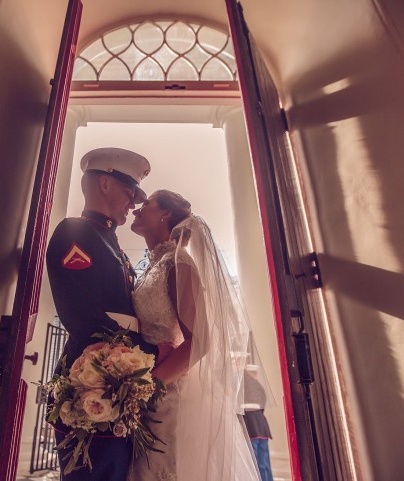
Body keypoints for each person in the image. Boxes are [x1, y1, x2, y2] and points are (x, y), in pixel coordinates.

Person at [46, 147, 165, 481]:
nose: (134, 202)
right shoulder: (76, 233)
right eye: (130, 192)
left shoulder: (111, 242)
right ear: (104, 184)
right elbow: (83, 316)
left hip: (117, 382)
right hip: (91, 383)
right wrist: (148, 353)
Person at [127, 190, 261, 481]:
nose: (137, 209)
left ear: (165, 215)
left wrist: (149, 388)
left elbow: (200, 341)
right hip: (150, 388)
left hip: (168, 394)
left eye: (146, 204)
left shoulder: (179, 264)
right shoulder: (151, 266)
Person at [243, 365, 274, 481]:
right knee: (264, 463)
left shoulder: (243, 385)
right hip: (262, 426)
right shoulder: (258, 387)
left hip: (251, 427)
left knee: (255, 462)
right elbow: (263, 403)